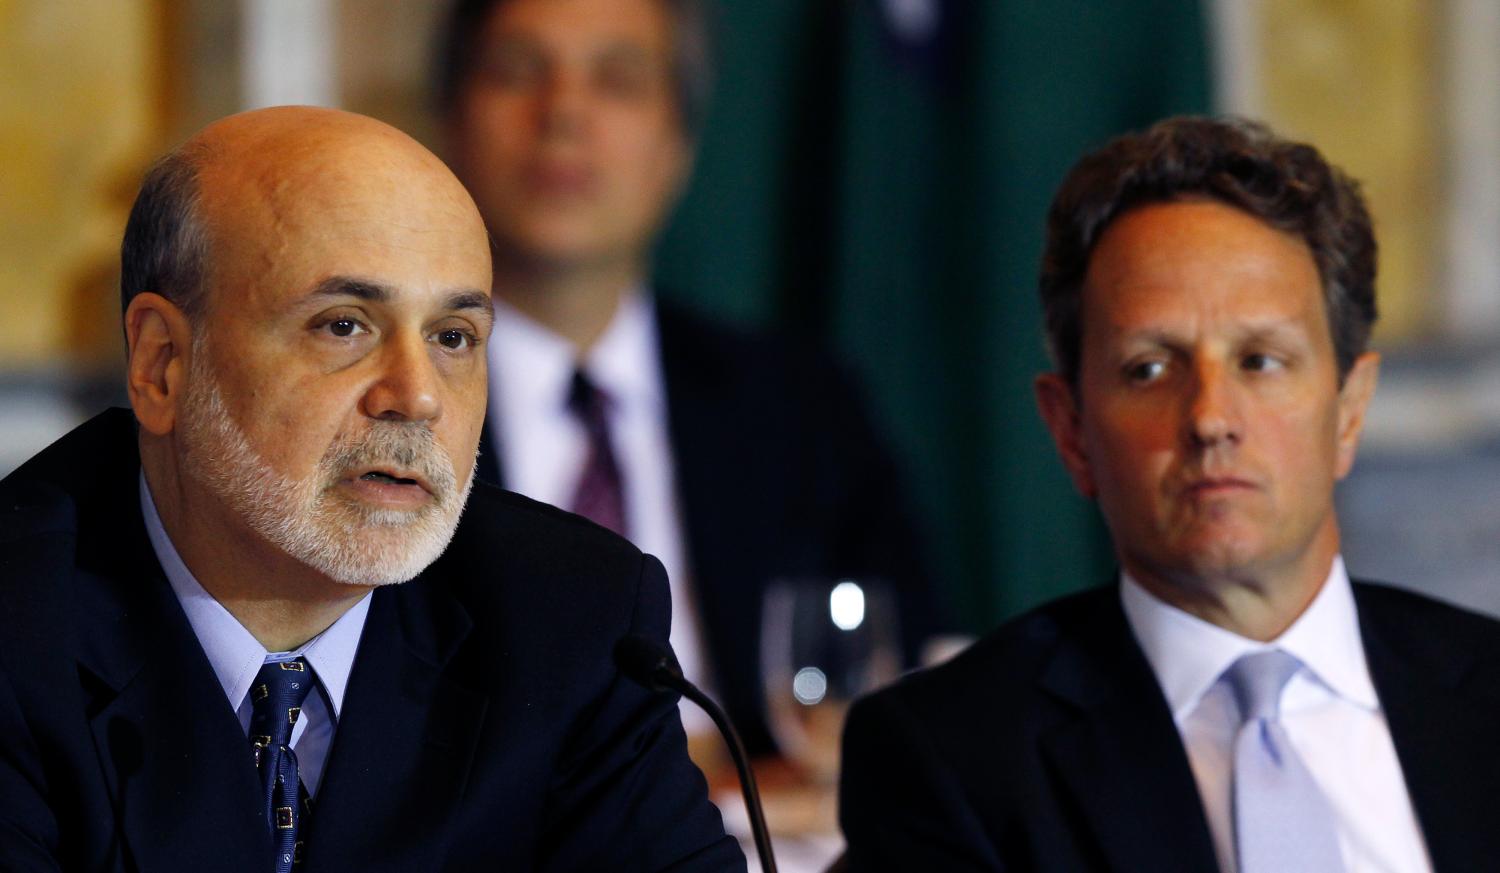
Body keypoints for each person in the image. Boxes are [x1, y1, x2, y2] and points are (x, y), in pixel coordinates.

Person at [0, 106, 745, 872]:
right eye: (344, 325)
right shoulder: (20, 630)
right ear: (162, 364)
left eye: (453, 337)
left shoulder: (575, 622)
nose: (416, 396)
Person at [838, 116, 1500, 872]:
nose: (1211, 418)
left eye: (1260, 360)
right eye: (1149, 369)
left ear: (1349, 410)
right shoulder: (953, 759)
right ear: (1070, 429)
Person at [435, 0, 943, 754]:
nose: (563, 113)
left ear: (678, 142)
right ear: (450, 118)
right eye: (517, 71)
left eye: (617, 80)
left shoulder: (802, 407)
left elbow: (912, 686)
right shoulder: (392, 405)